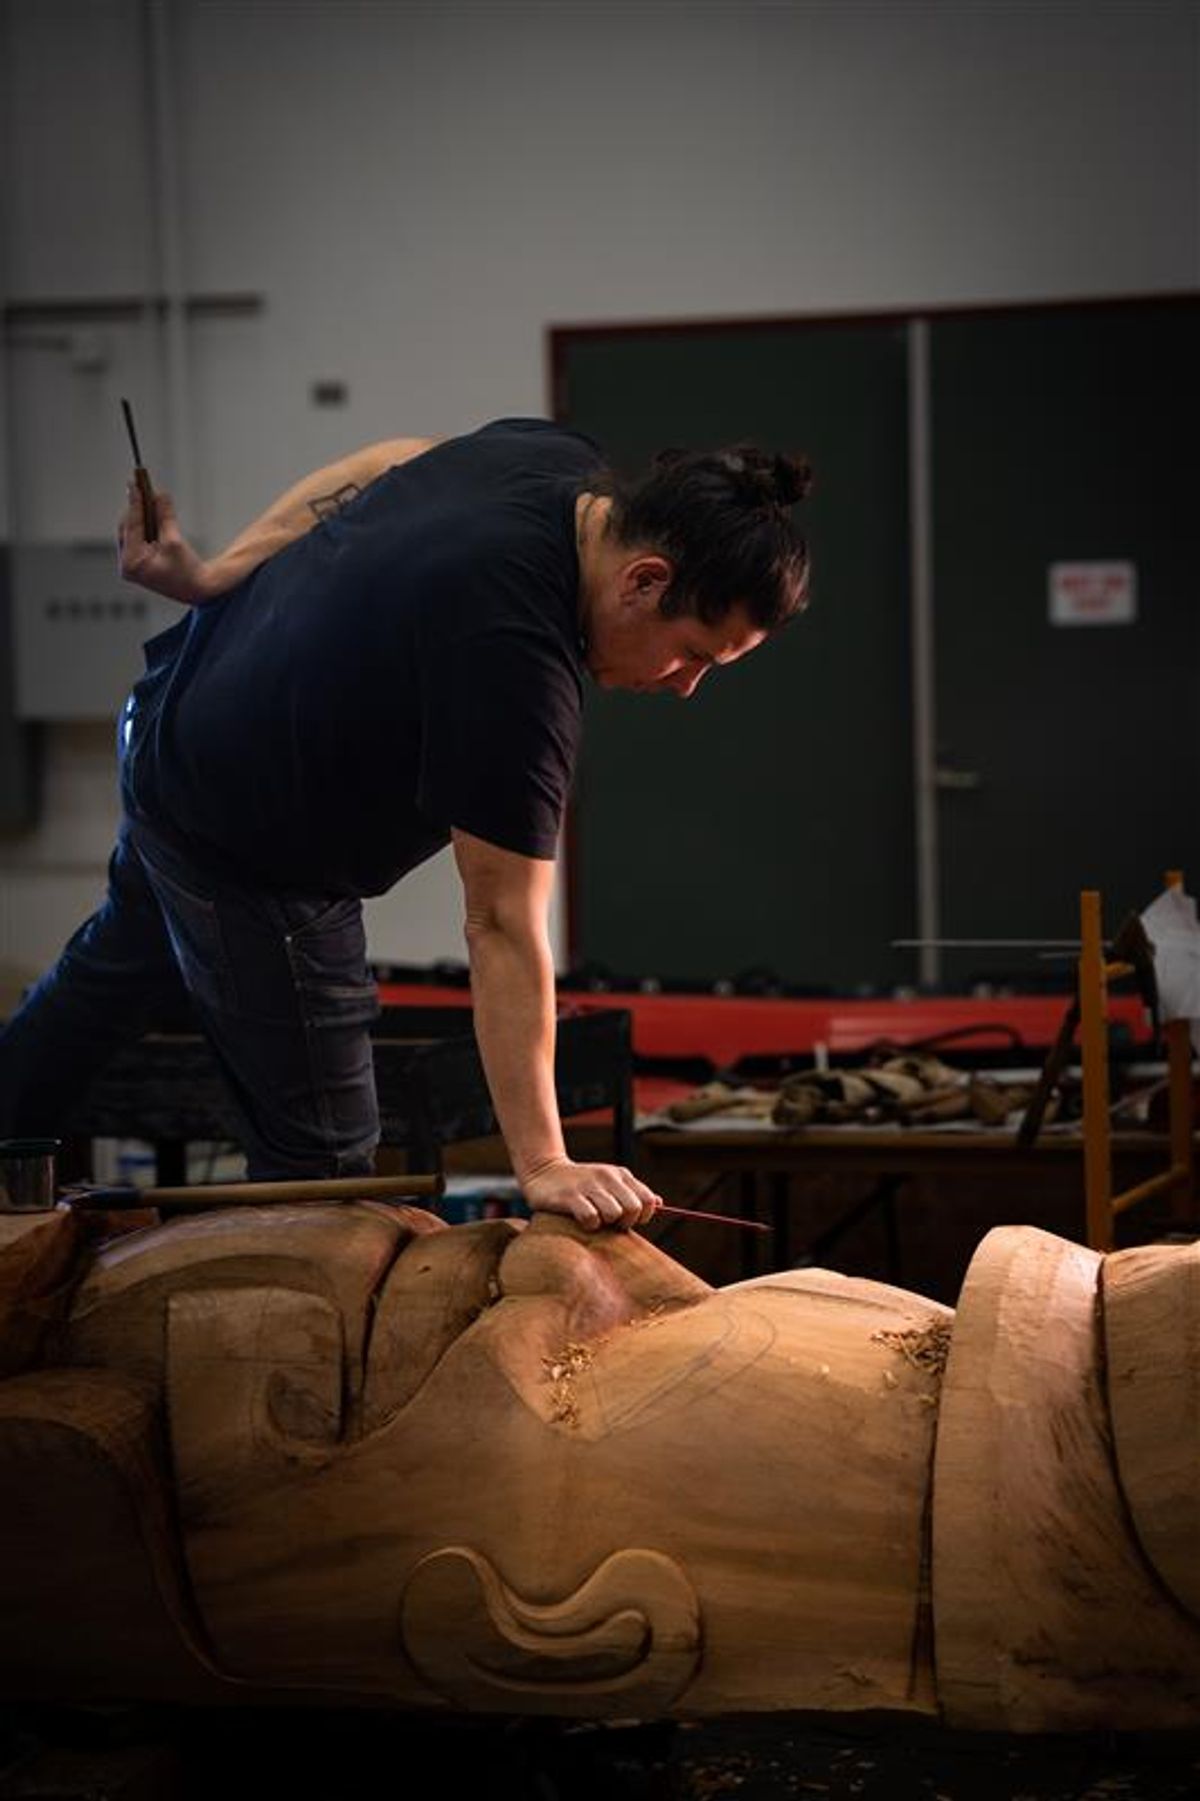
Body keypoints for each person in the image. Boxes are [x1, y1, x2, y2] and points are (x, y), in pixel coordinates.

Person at [0, 418, 811, 1229]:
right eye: (694, 654)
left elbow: (394, 459)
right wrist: (544, 1162)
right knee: (323, 1179)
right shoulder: (516, 663)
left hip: (174, 726)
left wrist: (221, 574)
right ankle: (279, 1349)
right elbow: (499, 924)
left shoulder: (554, 464)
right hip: (246, 840)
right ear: (643, 579)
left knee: (105, 980)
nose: (685, 688)